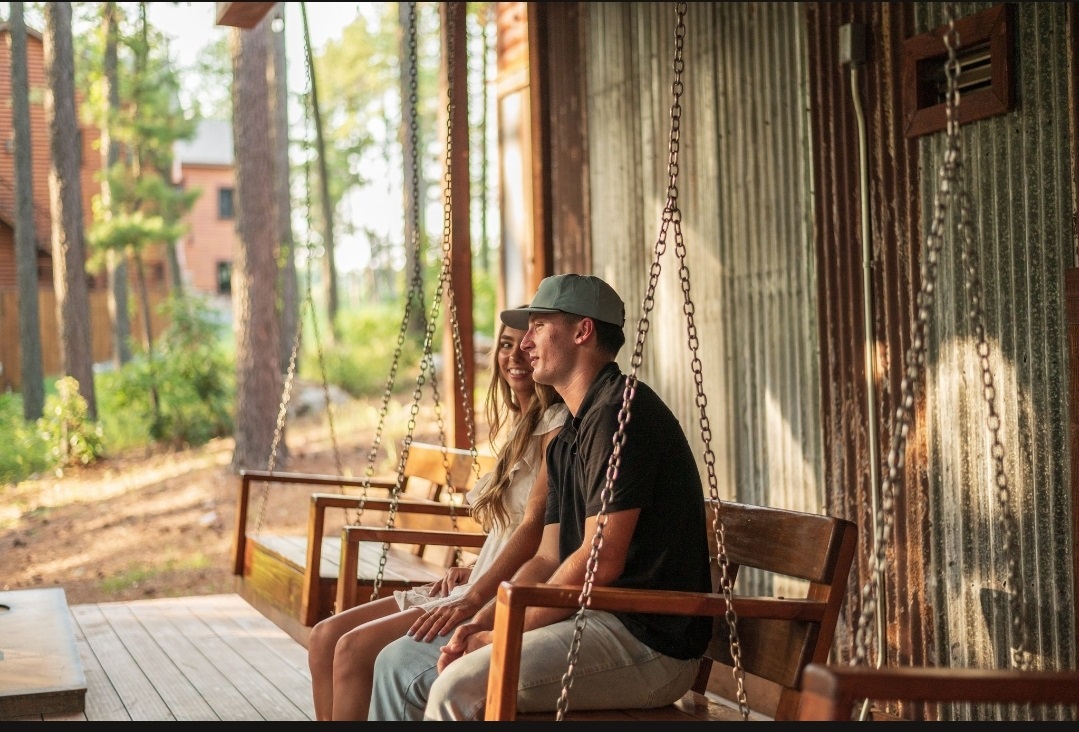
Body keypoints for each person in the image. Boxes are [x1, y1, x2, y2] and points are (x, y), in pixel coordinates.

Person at [367, 273, 712, 721]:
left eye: (539, 326)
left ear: (582, 331)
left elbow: (598, 560)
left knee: (458, 689)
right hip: (590, 619)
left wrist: (501, 635)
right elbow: (547, 558)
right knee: (399, 664)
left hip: (648, 640)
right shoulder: (571, 432)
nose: (525, 343)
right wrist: (483, 619)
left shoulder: (619, 413)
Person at [306, 320, 568, 720]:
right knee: (325, 637)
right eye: (504, 345)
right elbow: (508, 529)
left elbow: (535, 527)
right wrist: (471, 568)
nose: (513, 356)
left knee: (352, 650)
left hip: (500, 587)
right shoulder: (519, 425)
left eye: (523, 345)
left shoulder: (556, 426)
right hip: (481, 576)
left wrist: (479, 588)